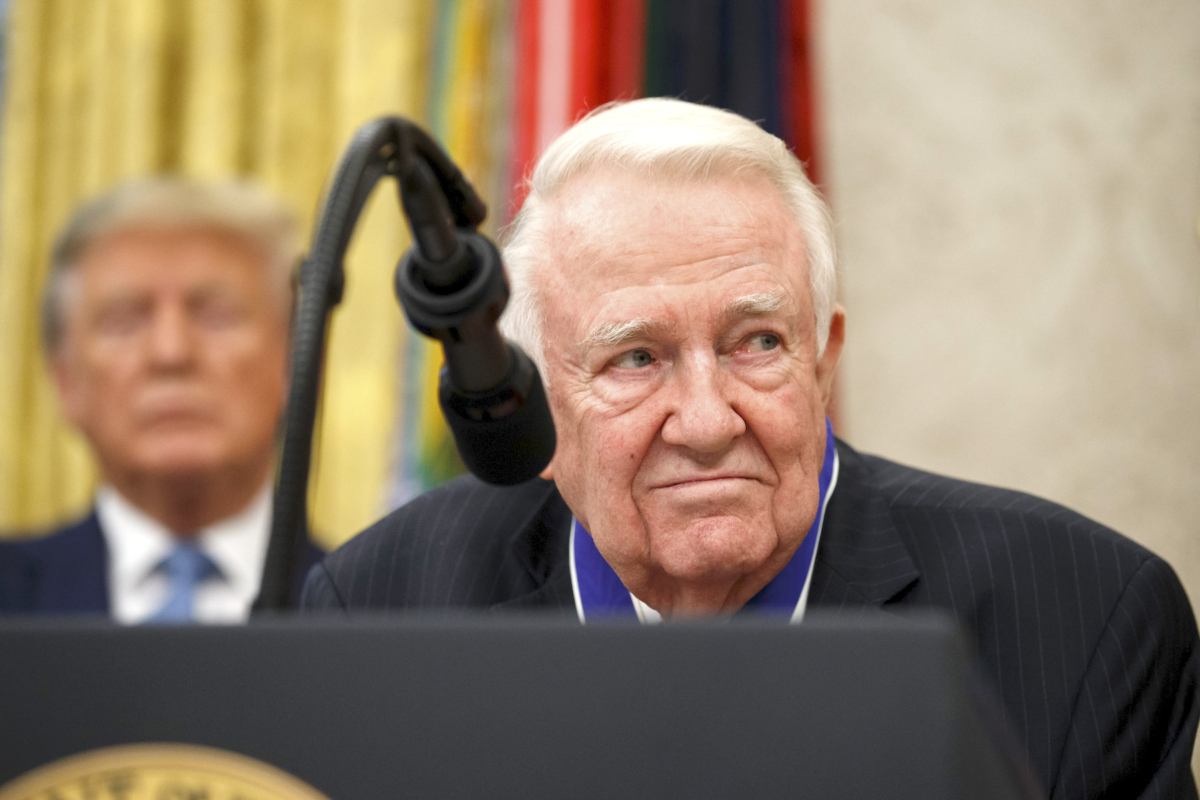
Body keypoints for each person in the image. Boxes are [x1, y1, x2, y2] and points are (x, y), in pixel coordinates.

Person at [301, 99, 1198, 797]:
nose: (706, 421)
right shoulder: (379, 608)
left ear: (824, 359)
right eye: (635, 357)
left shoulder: (1085, 624)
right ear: (532, 409)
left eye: (757, 343)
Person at [0, 178, 322, 623]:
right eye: (124, 320)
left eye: (215, 314)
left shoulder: (381, 609)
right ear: (66, 380)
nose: (171, 352)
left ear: (293, 360)